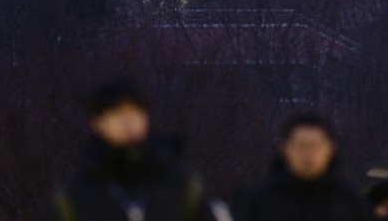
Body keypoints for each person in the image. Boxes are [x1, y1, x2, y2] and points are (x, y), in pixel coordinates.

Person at [47, 81, 226, 221]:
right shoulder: (76, 195)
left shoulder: (182, 184)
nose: (128, 122)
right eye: (117, 114)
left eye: (136, 112)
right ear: (96, 123)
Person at [234, 114, 369, 221]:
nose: (308, 153)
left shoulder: (351, 203)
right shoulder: (256, 201)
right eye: (301, 145)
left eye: (315, 145)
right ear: (284, 148)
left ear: (331, 149)